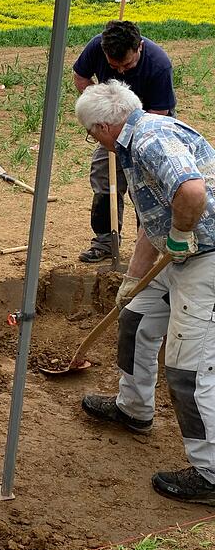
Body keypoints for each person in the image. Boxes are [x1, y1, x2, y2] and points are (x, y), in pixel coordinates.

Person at [75, 80, 215, 505]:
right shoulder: (136, 144)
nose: (93, 141)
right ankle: (133, 410)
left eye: (90, 134)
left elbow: (191, 192)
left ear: (102, 128)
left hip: (206, 257)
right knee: (134, 318)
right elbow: (152, 221)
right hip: (179, 252)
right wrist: (132, 283)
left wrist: (179, 234)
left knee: (187, 369)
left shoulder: (153, 140)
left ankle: (210, 475)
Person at [73, 20, 176, 263]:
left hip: (149, 130)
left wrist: (128, 141)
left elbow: (158, 114)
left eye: (127, 64)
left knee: (147, 187)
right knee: (103, 178)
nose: (120, 71)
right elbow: (81, 76)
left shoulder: (159, 65)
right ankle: (105, 241)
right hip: (111, 125)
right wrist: (99, 109)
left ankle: (151, 245)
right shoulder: (96, 46)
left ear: (139, 47)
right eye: (113, 65)